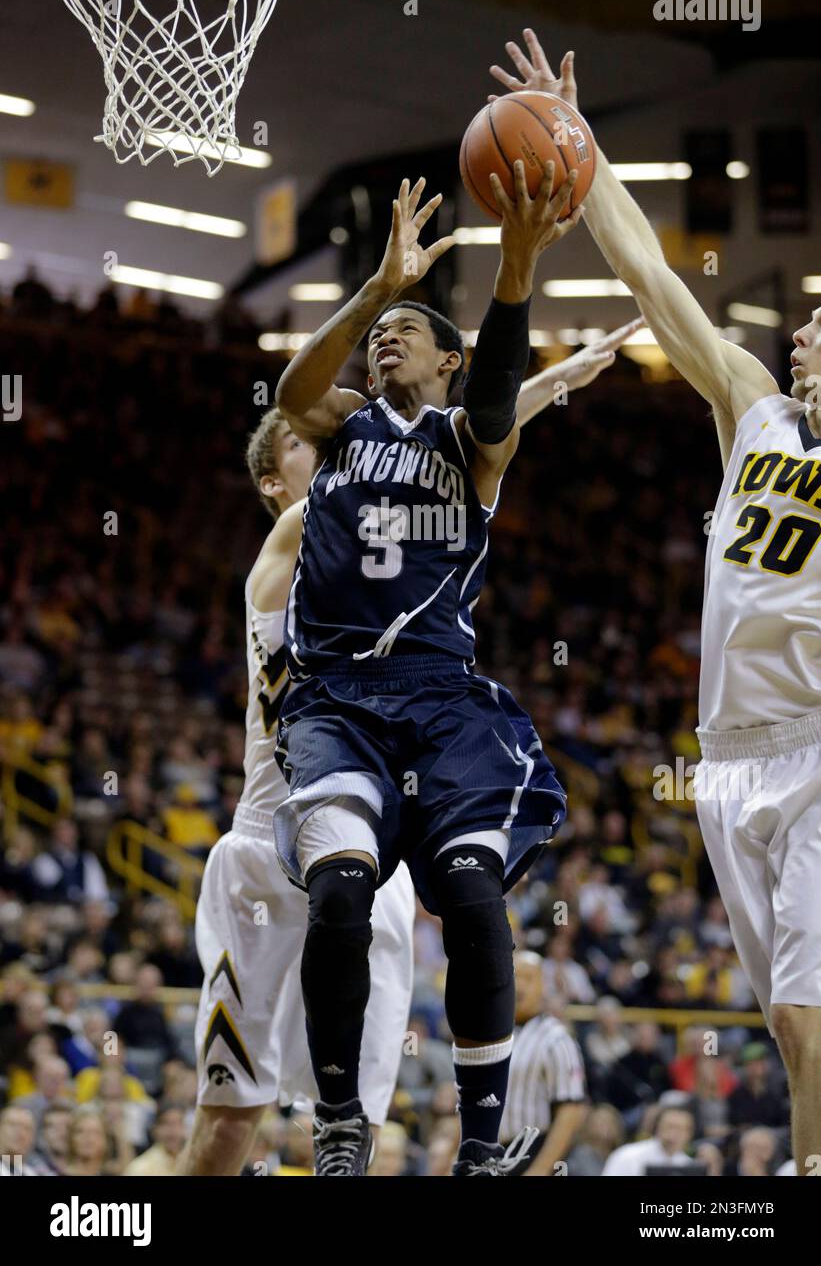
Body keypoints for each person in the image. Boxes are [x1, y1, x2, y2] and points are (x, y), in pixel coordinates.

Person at [490, 26, 821, 1178]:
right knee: (783, 1017)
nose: (802, 332)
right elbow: (649, 275)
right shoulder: (752, 408)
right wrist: (579, 148)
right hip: (726, 754)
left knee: (802, 1013)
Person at [273, 165, 582, 1177]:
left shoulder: (469, 441)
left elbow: (499, 387)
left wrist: (518, 263)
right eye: (380, 332)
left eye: (409, 329)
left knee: (475, 897)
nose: (386, 338)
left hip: (443, 704)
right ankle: (338, 1122)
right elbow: (293, 391)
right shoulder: (340, 426)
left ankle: (482, 1142)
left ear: (449, 363)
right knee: (339, 896)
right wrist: (374, 286)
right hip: (336, 700)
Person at [179, 414, 417, 1177]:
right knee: (227, 1122)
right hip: (264, 854)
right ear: (273, 482)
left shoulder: (402, 568)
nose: (331, 445)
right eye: (303, 440)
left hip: (367, 856)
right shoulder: (281, 552)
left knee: (351, 1138)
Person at [498, 952, 587, 1175]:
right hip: (488, 1153)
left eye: (529, 978)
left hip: (530, 1152)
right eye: (514, 977)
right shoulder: (488, 1034)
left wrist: (539, 1170)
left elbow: (570, 1111)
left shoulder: (556, 1039)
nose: (520, 986)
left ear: (543, 986)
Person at [601, 1104, 696, 1176]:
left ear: (689, 1134)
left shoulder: (689, 1166)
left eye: (680, 1129)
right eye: (669, 1127)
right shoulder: (627, 1155)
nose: (674, 1134)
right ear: (657, 1128)